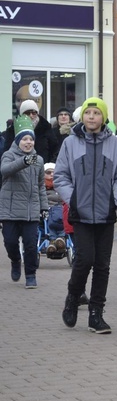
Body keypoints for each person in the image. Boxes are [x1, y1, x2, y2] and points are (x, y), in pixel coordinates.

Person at [57, 98, 117, 334]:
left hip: (106, 214)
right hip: (82, 214)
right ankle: (73, 296)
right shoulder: (70, 143)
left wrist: (114, 200)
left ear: (104, 117)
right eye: (87, 112)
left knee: (102, 265)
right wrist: (74, 199)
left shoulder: (115, 145)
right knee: (84, 260)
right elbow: (61, 176)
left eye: (96, 113)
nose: (91, 117)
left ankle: (96, 314)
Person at [1, 115, 49, 288]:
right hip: (10, 209)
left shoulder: (39, 161)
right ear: (18, 141)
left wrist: (44, 207)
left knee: (30, 245)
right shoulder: (9, 155)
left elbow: (41, 186)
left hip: (30, 211)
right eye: (25, 139)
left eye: (31, 139)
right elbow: (5, 170)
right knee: (10, 242)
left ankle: (30, 274)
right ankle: (15, 260)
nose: (28, 142)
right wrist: (23, 161)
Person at [2, 100, 58, 165]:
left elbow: (55, 150)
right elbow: (7, 151)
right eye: (27, 113)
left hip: (42, 169)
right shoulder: (13, 129)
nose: (31, 115)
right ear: (22, 114)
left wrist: (49, 166)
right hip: (19, 169)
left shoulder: (45, 127)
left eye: (34, 113)